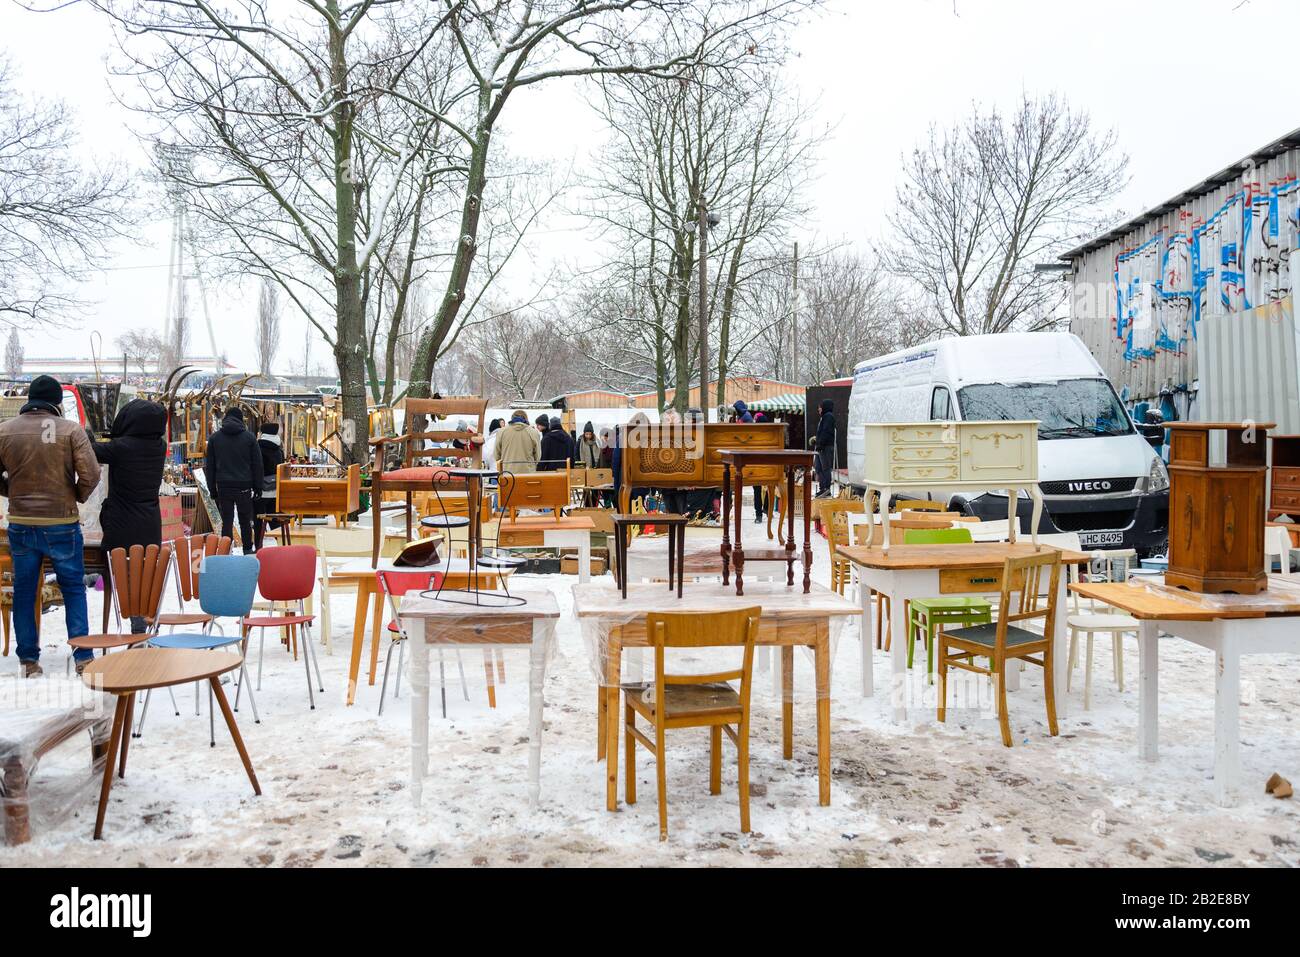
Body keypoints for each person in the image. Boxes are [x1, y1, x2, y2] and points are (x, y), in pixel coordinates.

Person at [0, 375, 101, 676]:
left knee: (25, 590)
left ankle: (29, 660)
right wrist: (76, 495)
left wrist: (12, 491)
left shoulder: (4, 431)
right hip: (62, 523)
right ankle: (82, 655)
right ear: (57, 402)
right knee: (73, 588)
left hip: (21, 522)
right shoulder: (71, 430)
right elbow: (92, 474)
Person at [91, 398, 167, 634]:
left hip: (123, 521)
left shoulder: (121, 447)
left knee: (126, 574)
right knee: (145, 573)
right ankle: (144, 617)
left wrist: (86, 434)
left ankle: (135, 620)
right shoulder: (159, 446)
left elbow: (91, 451)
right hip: (150, 521)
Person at [204, 406, 263, 553]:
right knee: (245, 521)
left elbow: (210, 467)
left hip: (224, 486)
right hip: (244, 486)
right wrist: (258, 487)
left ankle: (225, 552)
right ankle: (248, 551)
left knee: (227, 521)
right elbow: (257, 464)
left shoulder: (215, 438)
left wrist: (212, 489)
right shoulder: (249, 438)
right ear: (240, 419)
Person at [254, 421, 285, 550]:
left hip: (261, 490)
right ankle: (280, 546)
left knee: (258, 520)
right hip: (275, 490)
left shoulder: (257, 448)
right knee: (275, 519)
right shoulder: (279, 450)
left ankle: (258, 545)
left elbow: (256, 468)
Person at [496, 409, 541, 473]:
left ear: (512, 418)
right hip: (528, 473)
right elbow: (537, 456)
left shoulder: (501, 432)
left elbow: (496, 455)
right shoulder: (534, 432)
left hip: (508, 473)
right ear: (526, 418)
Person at [814, 398, 836, 497]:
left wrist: (821, 443)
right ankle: (822, 487)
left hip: (825, 447)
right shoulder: (824, 417)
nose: (819, 409)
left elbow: (826, 432)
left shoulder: (828, 417)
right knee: (818, 467)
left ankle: (826, 488)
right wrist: (816, 440)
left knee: (825, 468)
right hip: (821, 446)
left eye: (820, 407)